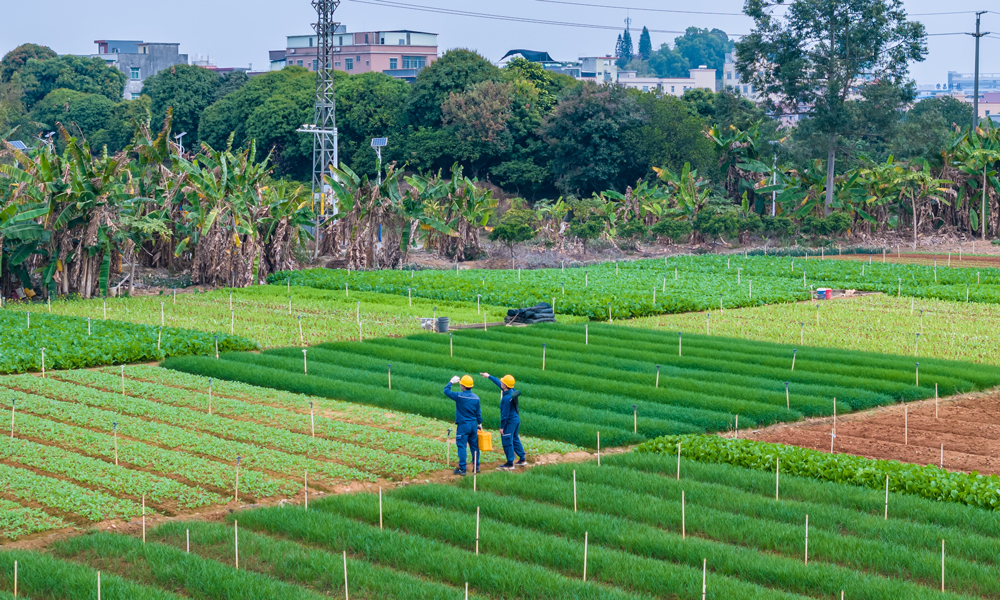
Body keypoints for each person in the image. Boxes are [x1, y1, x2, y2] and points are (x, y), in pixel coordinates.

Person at [480, 372, 526, 469]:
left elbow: (504, 415)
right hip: (516, 419)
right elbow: (499, 383)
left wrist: (502, 427)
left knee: (507, 440)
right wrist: (489, 376)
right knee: (515, 438)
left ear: (505, 385)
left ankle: (510, 463)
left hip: (509, 421)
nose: (501, 382)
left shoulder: (506, 399)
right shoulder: (511, 391)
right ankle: (522, 459)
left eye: (502, 382)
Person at [443, 374, 482, 475]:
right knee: (474, 447)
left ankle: (462, 469)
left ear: (463, 386)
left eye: (461, 385)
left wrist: (451, 382)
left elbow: (446, 391)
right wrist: (480, 423)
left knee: (461, 446)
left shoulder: (459, 396)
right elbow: (478, 412)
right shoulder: (476, 398)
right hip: (473, 425)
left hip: (463, 425)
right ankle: (476, 467)